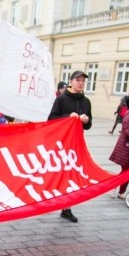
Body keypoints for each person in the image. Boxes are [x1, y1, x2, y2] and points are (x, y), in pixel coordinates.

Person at [48, 70, 92, 223]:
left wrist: (86, 121)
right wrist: (68, 117)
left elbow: (89, 125)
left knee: (72, 175)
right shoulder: (61, 99)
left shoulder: (86, 101)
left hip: (77, 144)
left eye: (83, 81)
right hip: (61, 144)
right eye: (78, 80)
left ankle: (66, 208)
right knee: (59, 174)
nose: (81, 83)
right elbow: (51, 119)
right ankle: (48, 199)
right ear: (71, 81)